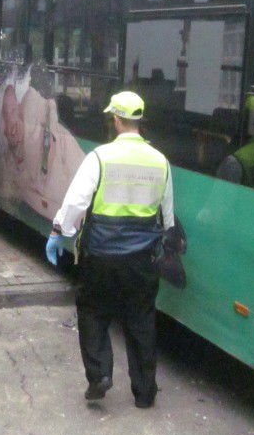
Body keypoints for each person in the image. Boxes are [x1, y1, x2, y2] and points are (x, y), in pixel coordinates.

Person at [45, 91, 174, 408]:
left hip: (101, 254)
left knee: (93, 312)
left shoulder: (99, 158)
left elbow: (76, 202)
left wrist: (59, 231)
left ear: (115, 120)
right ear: (138, 121)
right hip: (143, 258)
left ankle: (100, 375)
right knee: (141, 320)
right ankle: (145, 392)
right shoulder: (161, 161)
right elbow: (167, 216)